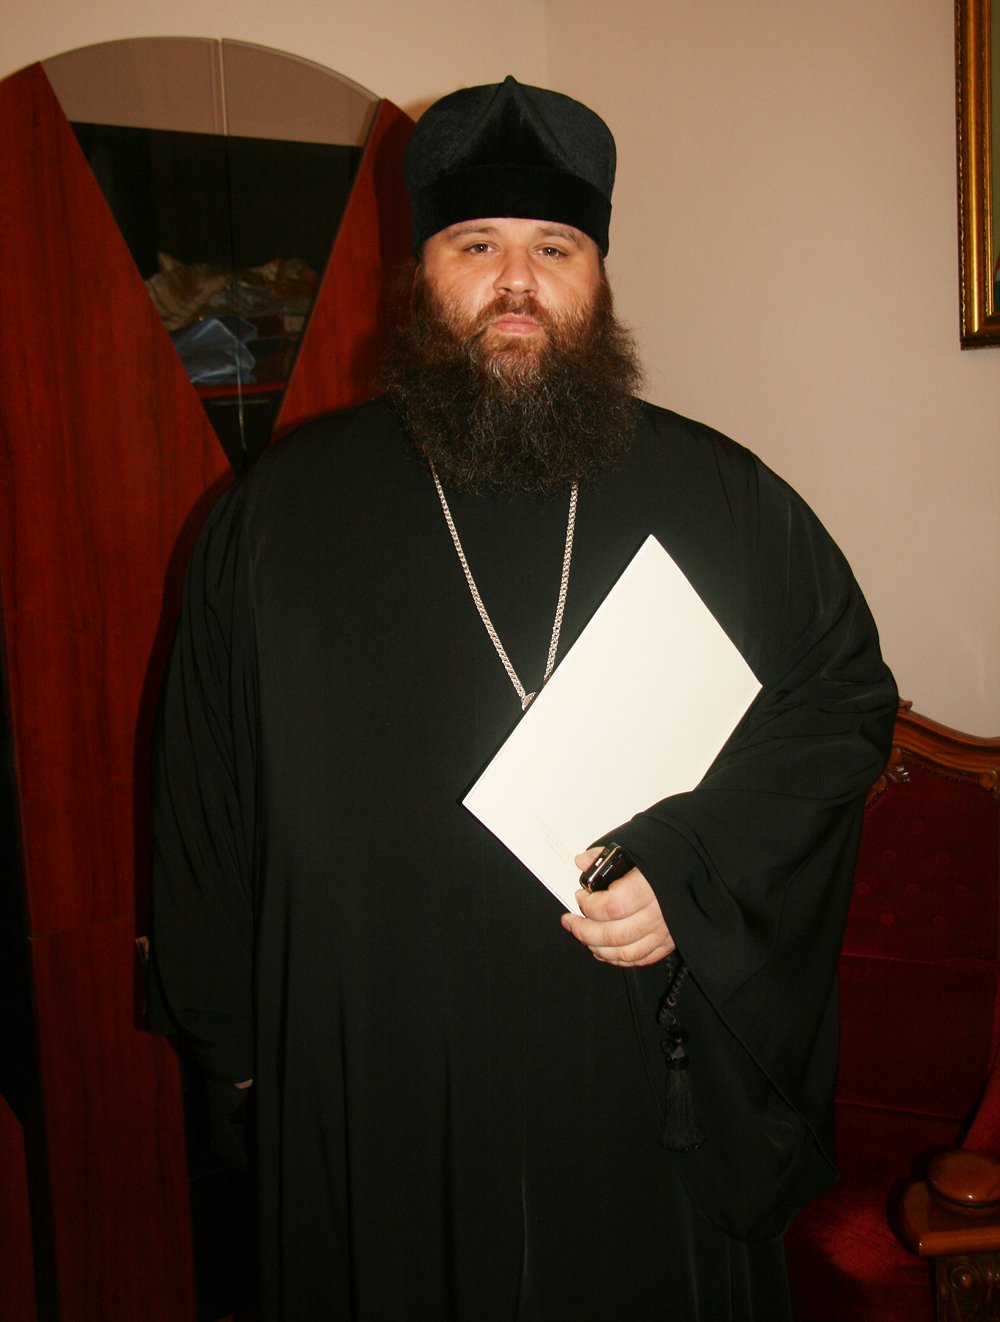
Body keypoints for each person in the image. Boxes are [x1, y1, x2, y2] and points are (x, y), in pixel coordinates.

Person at [149, 76, 898, 1321]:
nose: (516, 282)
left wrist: (695, 870)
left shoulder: (724, 497)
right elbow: (203, 796)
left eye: (554, 248)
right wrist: (235, 1051)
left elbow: (840, 701)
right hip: (373, 1076)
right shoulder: (277, 515)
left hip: (626, 1067)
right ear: (420, 273)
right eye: (476, 245)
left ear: (597, 275)